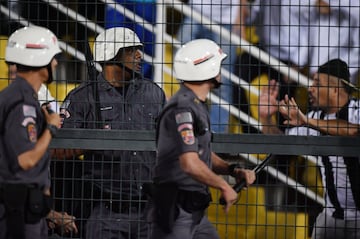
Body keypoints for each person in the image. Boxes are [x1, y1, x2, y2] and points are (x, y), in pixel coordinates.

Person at [57, 27, 166, 239]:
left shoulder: (154, 93)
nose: (139, 55)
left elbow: (168, 144)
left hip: (150, 210)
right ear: (111, 54)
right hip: (103, 211)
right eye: (130, 50)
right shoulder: (82, 98)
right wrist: (91, 140)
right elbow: (56, 151)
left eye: (138, 49)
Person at [151, 39, 256, 239]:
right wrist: (224, 185)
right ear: (206, 67)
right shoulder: (183, 108)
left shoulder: (196, 105)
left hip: (194, 212)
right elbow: (190, 163)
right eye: (218, 65)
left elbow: (201, 153)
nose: (220, 71)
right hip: (176, 211)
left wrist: (233, 170)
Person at [258, 59, 360, 239]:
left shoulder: (357, 110)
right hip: (330, 216)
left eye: (317, 83)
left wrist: (307, 121)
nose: (310, 88)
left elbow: (353, 131)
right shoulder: (314, 116)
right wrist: (266, 118)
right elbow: (282, 144)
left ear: (335, 89)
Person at [0, 25, 62, 239]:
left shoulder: (17, 96)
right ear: (39, 59)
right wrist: (52, 128)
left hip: (20, 206)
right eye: (53, 57)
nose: (55, 63)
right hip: (17, 211)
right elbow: (26, 159)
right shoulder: (21, 102)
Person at [6, 63, 78, 237]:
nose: (53, 119)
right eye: (46, 112)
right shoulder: (18, 139)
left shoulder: (37, 144)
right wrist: (53, 215)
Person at [176, 0, 247, 133]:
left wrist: (240, 21)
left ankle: (216, 134)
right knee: (183, 66)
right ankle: (193, 121)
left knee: (223, 83)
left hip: (226, 19)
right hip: (196, 11)